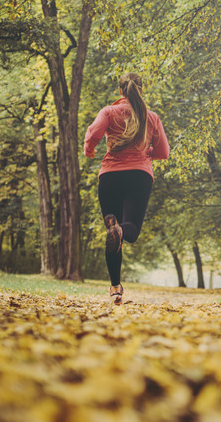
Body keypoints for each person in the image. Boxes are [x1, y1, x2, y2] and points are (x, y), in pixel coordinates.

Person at [84, 72, 169, 305]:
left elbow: (93, 134)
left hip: (110, 176)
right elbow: (163, 152)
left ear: (120, 90)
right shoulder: (151, 117)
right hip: (139, 176)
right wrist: (147, 152)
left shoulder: (108, 112)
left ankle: (115, 288)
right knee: (127, 231)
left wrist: (89, 150)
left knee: (112, 232)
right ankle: (120, 231)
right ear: (141, 90)